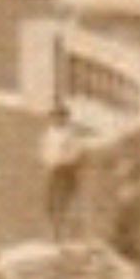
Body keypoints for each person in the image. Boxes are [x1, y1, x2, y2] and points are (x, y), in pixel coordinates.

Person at [41, 103, 82, 240]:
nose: (56, 120)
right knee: (50, 201)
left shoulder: (70, 134)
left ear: (65, 118)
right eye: (54, 117)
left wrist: (65, 163)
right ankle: (53, 231)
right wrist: (47, 163)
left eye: (60, 117)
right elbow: (45, 150)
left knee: (64, 200)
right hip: (52, 170)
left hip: (66, 170)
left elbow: (75, 153)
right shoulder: (50, 132)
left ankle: (66, 231)